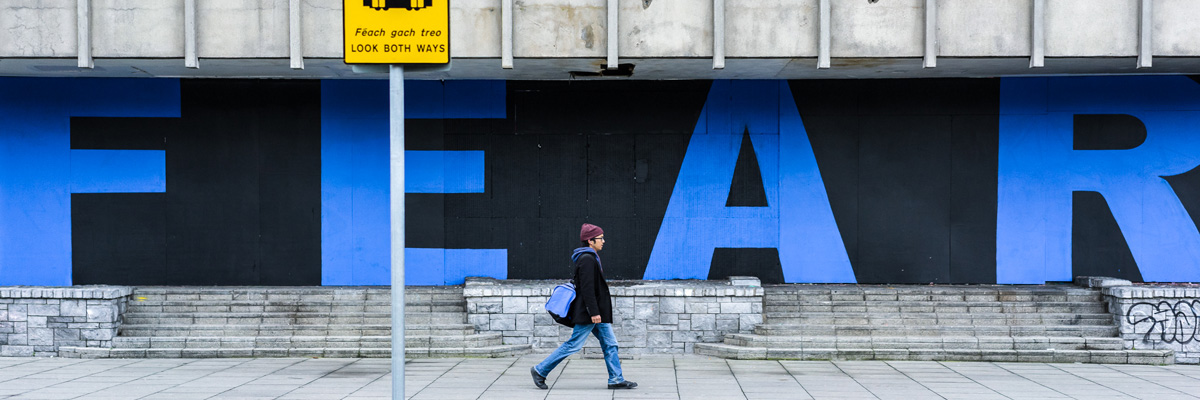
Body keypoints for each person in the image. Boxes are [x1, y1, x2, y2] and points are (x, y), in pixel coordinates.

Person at [531, 223, 637, 390]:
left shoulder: (590, 257)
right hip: (589, 313)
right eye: (600, 238)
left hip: (596, 312)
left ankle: (616, 379)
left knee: (610, 344)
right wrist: (594, 312)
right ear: (590, 241)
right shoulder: (587, 259)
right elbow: (587, 289)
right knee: (574, 344)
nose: (603, 241)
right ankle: (540, 370)